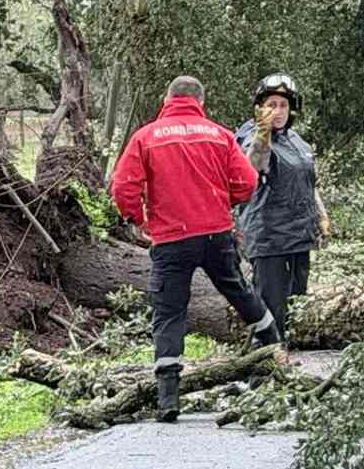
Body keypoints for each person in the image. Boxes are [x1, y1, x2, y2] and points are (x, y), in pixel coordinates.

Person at [109, 75, 284, 423]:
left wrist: (137, 218)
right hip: (216, 234)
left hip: (172, 238)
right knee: (238, 290)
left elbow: (123, 186)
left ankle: (168, 397)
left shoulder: (146, 137)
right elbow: (247, 181)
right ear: (200, 102)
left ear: (167, 98)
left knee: (169, 311)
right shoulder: (218, 134)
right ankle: (273, 343)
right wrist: (226, 200)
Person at [234, 73, 330, 348]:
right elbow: (253, 167)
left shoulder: (297, 141)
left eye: (283, 105)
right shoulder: (251, 137)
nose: (277, 111)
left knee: (294, 304)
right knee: (270, 309)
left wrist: (321, 215)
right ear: (259, 108)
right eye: (271, 105)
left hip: (300, 235)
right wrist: (262, 135)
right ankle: (260, 369)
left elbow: (309, 183)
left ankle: (283, 361)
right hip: (270, 237)